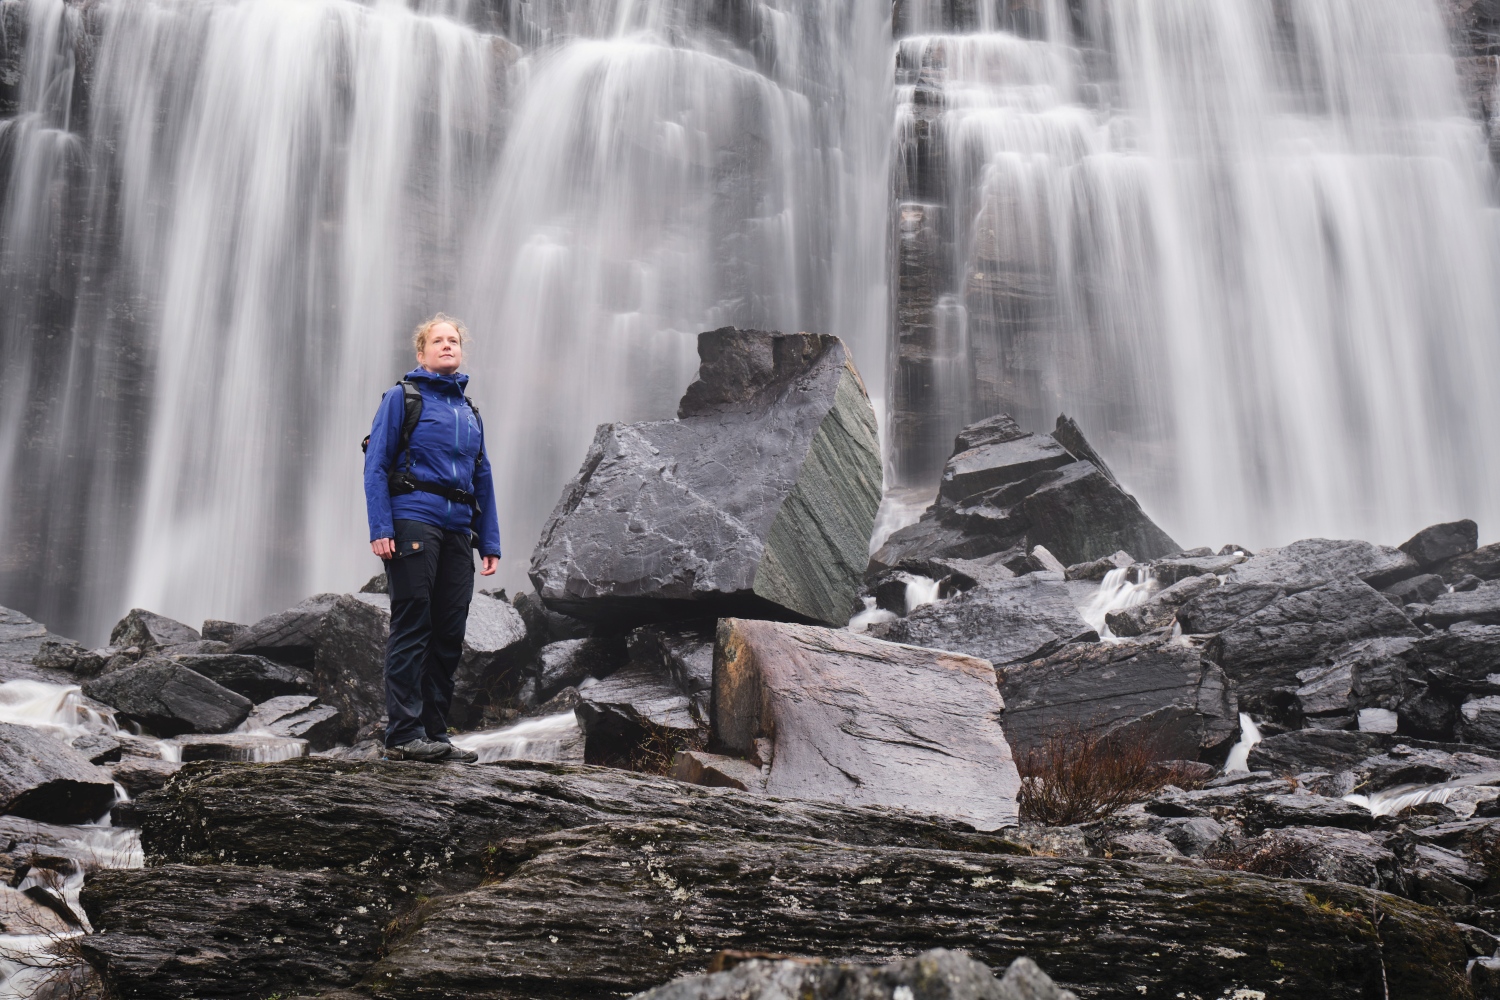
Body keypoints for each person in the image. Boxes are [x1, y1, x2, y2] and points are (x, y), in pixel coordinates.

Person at [364, 313, 500, 762]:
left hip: (458, 529)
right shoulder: (401, 398)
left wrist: (490, 541)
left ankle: (435, 734)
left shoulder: (469, 412)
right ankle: (404, 734)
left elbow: (483, 476)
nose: (447, 345)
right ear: (421, 353)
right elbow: (376, 465)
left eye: (454, 340)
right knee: (413, 624)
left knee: (449, 631)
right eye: (437, 341)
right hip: (413, 521)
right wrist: (381, 528)